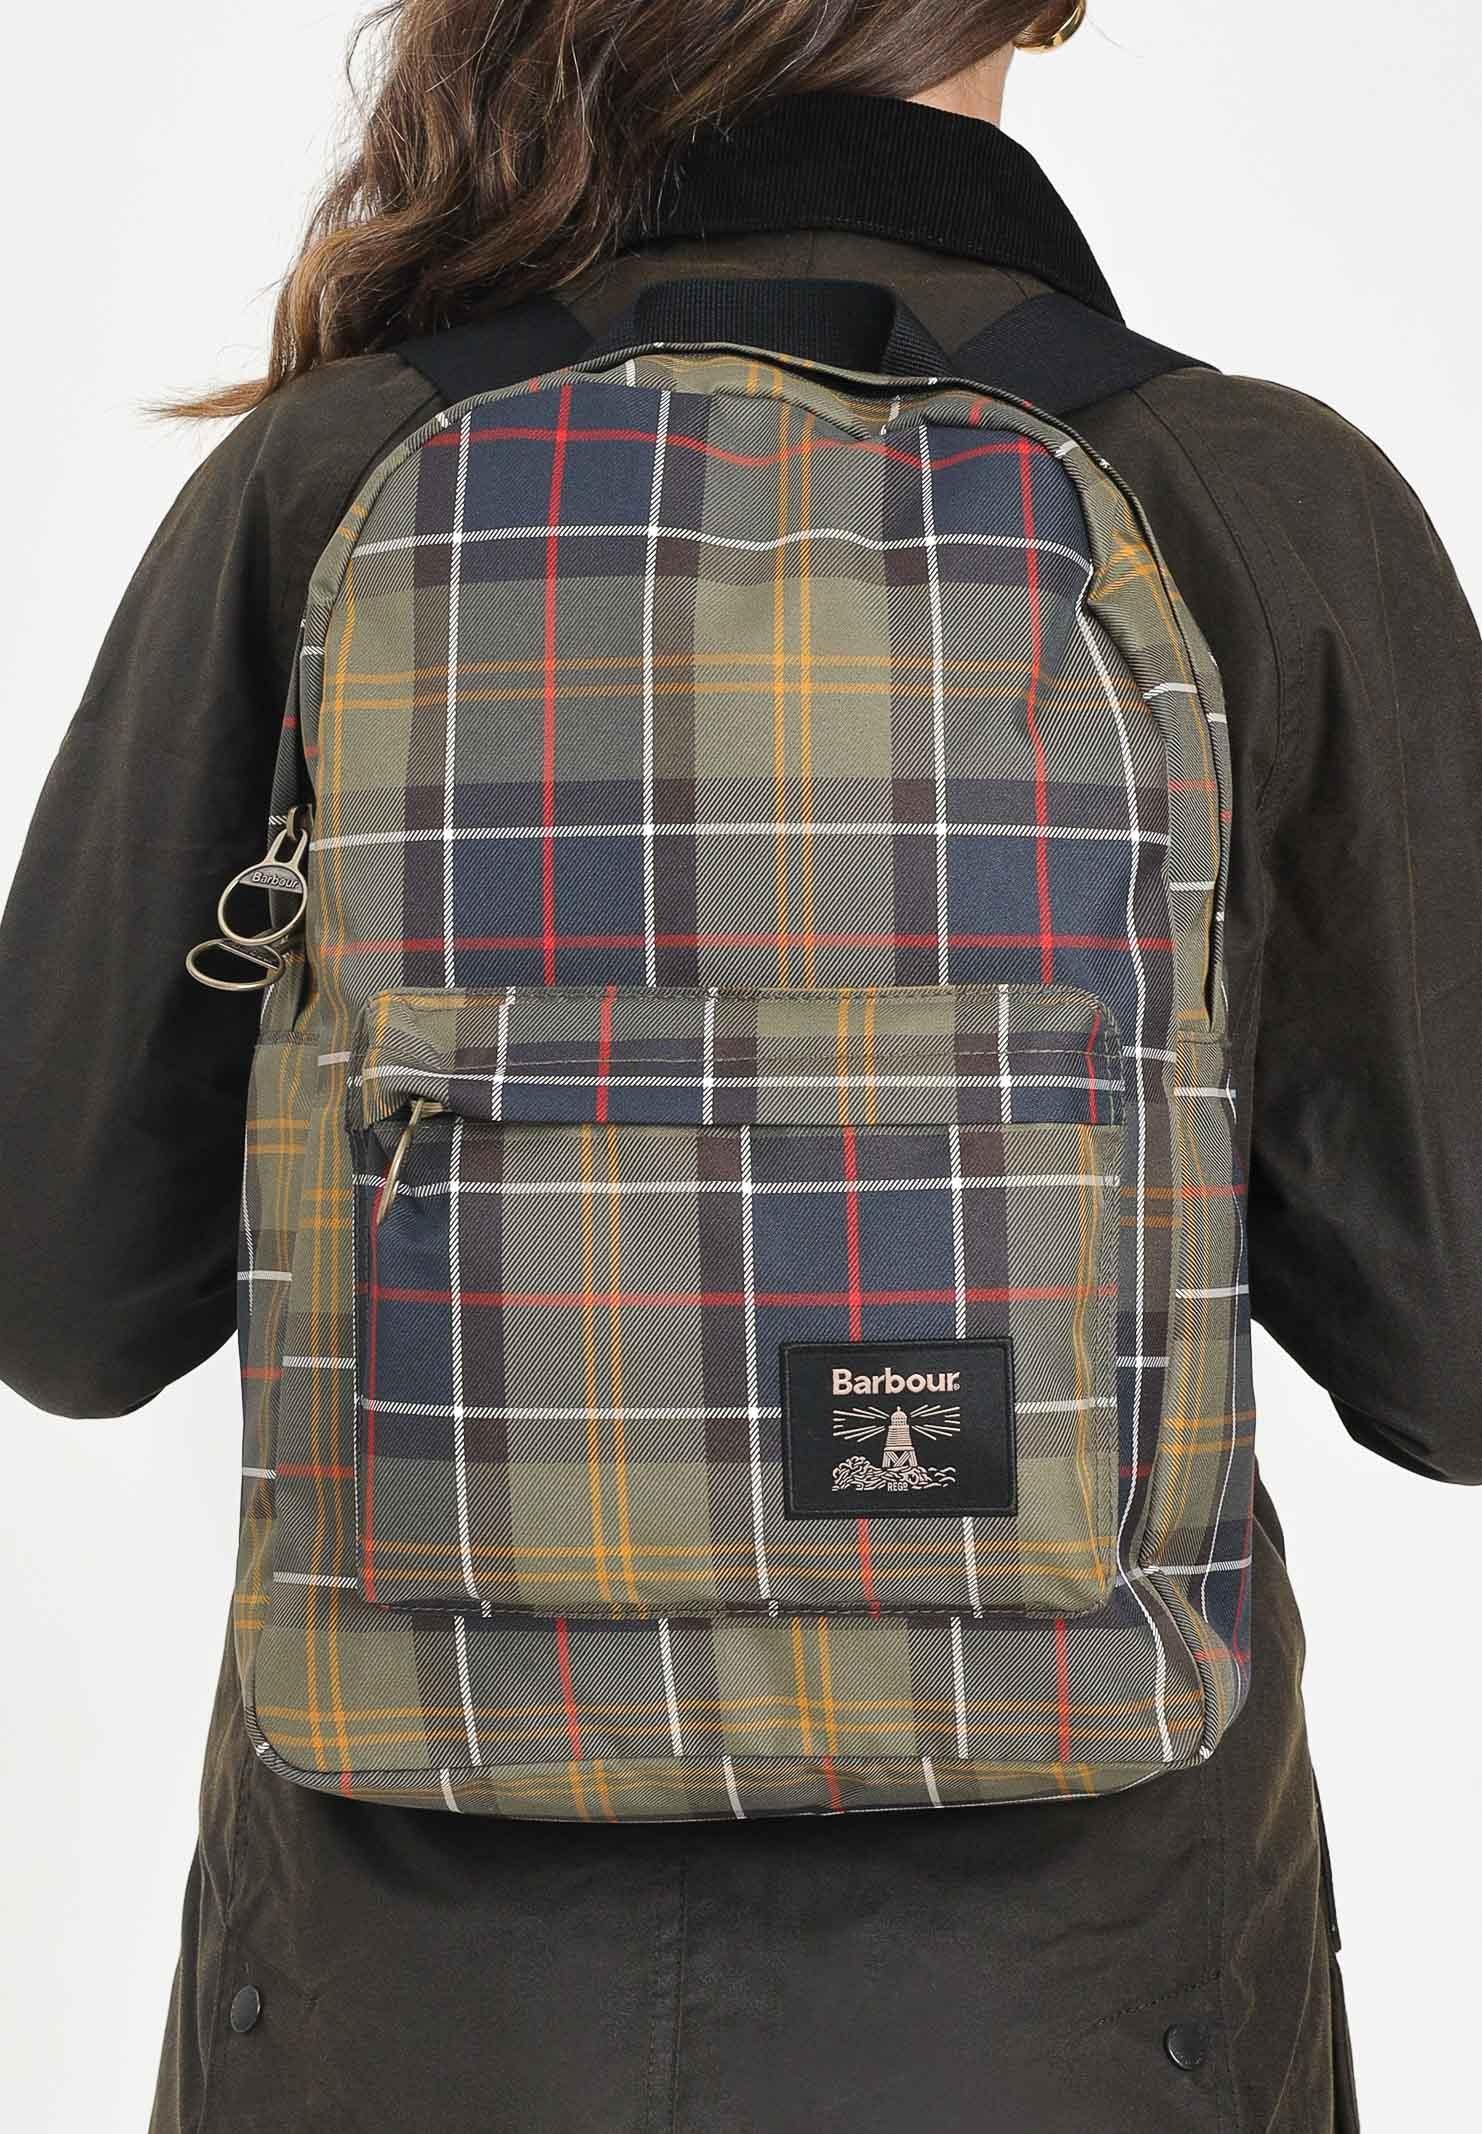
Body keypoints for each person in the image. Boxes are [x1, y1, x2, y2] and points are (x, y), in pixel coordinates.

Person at [3, 3, 1478, 2127]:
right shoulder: (1249, 500)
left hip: (404, 2017)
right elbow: (1455, 1356)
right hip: (1077, 2023)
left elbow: (62, 1299)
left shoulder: (329, 481)